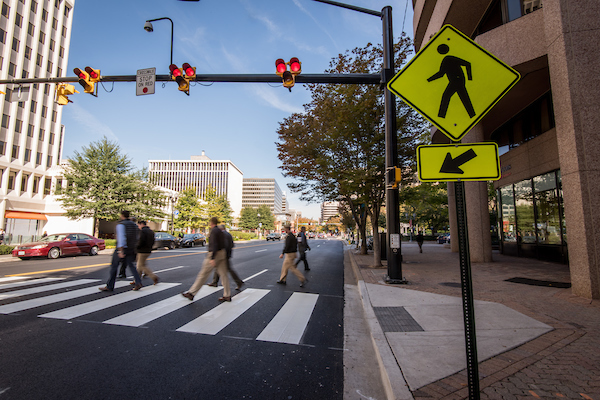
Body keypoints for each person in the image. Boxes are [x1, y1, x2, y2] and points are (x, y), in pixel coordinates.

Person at [182, 217, 231, 302]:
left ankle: (192, 293)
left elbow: (214, 244)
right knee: (224, 275)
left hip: (214, 254)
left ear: (211, 223)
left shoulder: (213, 232)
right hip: (222, 253)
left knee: (203, 274)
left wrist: (212, 258)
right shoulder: (220, 231)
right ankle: (227, 295)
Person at [99, 211, 143, 292]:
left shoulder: (121, 225)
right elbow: (137, 237)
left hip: (123, 248)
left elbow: (121, 238)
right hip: (132, 248)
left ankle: (110, 285)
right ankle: (138, 281)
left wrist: (120, 251)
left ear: (122, 215)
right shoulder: (134, 225)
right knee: (132, 266)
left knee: (114, 267)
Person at [208, 224, 244, 291]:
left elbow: (224, 245)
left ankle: (239, 282)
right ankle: (214, 282)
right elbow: (232, 245)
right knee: (218, 267)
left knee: (228, 269)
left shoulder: (223, 234)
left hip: (224, 254)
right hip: (227, 254)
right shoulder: (228, 234)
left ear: (221, 229)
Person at [135, 220, 159, 285]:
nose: (138, 227)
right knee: (140, 265)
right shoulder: (151, 231)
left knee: (140, 265)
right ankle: (137, 280)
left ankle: (153, 277)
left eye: (139, 225)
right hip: (148, 250)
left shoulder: (142, 231)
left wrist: (136, 246)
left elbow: (141, 241)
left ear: (142, 224)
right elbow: (153, 241)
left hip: (142, 250)